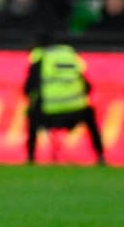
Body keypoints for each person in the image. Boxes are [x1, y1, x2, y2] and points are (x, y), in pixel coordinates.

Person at [24, 35, 105, 166]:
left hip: (48, 114)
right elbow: (88, 88)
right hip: (76, 113)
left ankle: (31, 156)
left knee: (31, 115)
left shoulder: (40, 60)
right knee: (90, 114)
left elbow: (28, 89)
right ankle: (100, 155)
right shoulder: (71, 58)